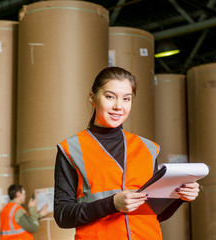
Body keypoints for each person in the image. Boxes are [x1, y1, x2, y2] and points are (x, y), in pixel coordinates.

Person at [54, 66, 200, 240]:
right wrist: (112, 204)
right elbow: (62, 215)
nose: (118, 106)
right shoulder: (71, 149)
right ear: (93, 98)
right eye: (110, 97)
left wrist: (180, 198)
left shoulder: (148, 148)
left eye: (126, 99)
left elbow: (154, 215)